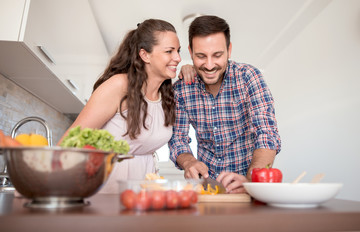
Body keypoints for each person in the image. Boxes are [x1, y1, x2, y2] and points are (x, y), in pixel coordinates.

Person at [59, 19, 181, 193]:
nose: (178, 58)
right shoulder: (119, 86)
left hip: (141, 192)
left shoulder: (166, 96)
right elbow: (70, 142)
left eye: (178, 51)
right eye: (169, 51)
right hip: (105, 188)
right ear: (145, 55)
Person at [169, 15, 281, 193]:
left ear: (229, 50)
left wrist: (251, 181)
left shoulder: (249, 77)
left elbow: (266, 134)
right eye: (201, 56)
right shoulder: (182, 90)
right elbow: (178, 140)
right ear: (190, 52)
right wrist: (190, 162)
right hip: (207, 189)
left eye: (217, 55)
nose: (210, 64)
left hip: (249, 186)